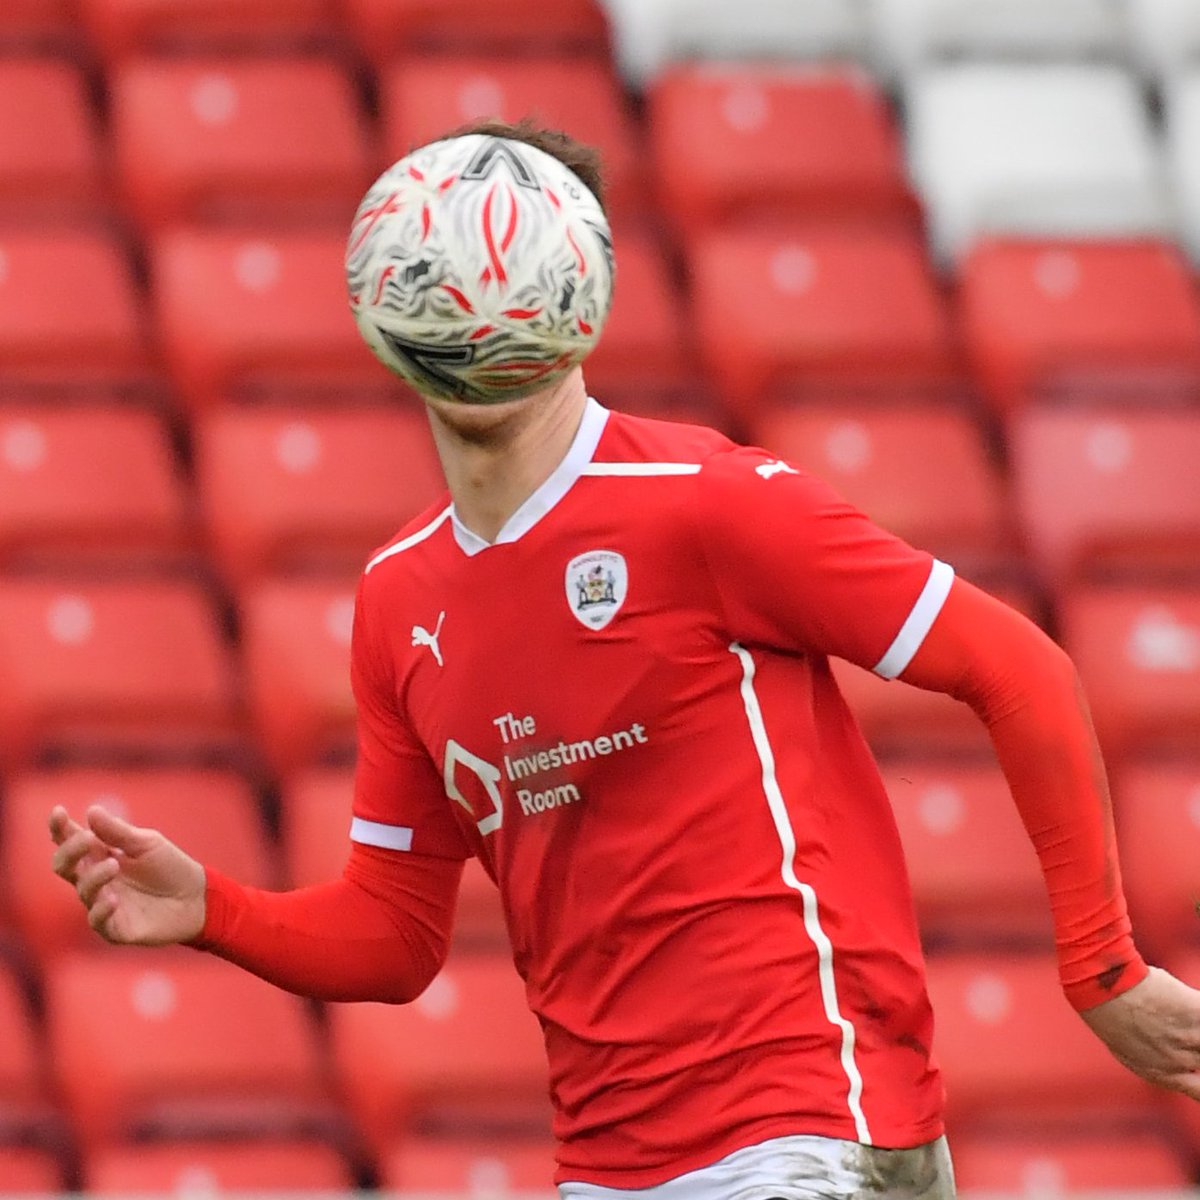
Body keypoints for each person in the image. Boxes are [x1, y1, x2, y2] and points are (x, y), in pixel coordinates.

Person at [50, 121, 1200, 1200]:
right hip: (606, 1164)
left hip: (808, 1123)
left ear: (579, 295)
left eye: (519, 271)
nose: (484, 303)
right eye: (451, 274)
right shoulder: (398, 600)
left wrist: (1103, 970)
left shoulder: (707, 505)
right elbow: (395, 936)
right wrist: (213, 909)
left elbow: (1018, 666)